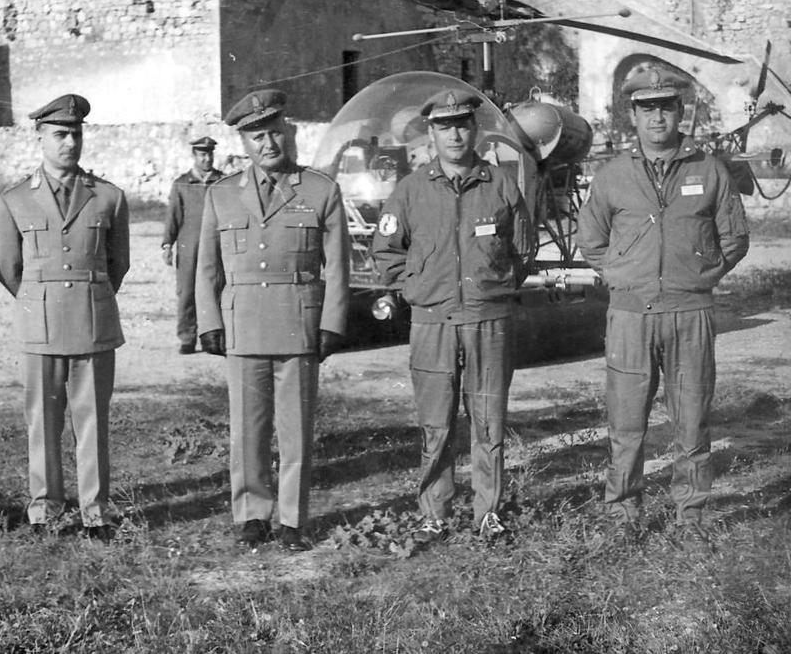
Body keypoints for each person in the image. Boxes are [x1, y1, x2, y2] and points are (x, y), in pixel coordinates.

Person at [577, 66, 749, 548]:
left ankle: (690, 515)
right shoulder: (613, 175)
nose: (657, 117)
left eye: (666, 107)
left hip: (689, 314)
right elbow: (591, 241)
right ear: (632, 115)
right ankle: (623, 512)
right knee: (626, 420)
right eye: (646, 108)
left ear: (680, 112)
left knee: (692, 416)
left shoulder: (708, 169)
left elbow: (734, 236)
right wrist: (620, 276)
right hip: (630, 317)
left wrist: (701, 277)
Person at [371, 88, 536, 543]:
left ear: (476, 129)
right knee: (436, 420)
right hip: (432, 322)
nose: (455, 134)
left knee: (488, 420)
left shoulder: (501, 185)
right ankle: (434, 513)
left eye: (463, 124)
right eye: (445, 126)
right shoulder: (410, 190)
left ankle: (489, 512)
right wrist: (417, 289)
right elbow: (386, 251)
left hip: (488, 320)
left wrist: (492, 289)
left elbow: (523, 249)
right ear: (431, 133)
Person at [195, 89, 350, 551]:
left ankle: (292, 519)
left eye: (275, 133)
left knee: (296, 428)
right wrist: (208, 321)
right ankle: (251, 514)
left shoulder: (320, 190)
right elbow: (207, 268)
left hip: (298, 325)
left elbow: (338, 265)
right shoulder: (222, 194)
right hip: (243, 325)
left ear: (290, 133)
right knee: (248, 427)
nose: (268, 144)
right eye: (257, 137)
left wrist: (332, 323)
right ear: (244, 143)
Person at [0, 94, 129, 541]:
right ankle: (44, 509)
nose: (70, 142)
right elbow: (8, 267)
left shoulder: (108, 196)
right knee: (43, 420)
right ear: (40, 137)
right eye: (60, 134)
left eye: (76, 134)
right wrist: (40, 299)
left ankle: (95, 511)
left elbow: (117, 263)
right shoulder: (14, 200)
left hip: (93, 323)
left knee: (92, 420)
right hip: (40, 325)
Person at [162, 136, 223, 354]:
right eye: (202, 155)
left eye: (210, 154)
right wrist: (167, 244)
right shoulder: (181, 184)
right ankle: (187, 338)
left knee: (215, 290)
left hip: (216, 248)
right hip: (189, 247)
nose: (207, 159)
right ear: (194, 156)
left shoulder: (222, 182)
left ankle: (213, 338)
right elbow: (173, 217)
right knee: (186, 292)